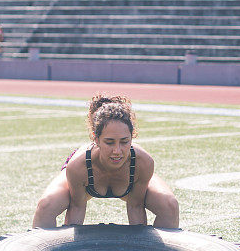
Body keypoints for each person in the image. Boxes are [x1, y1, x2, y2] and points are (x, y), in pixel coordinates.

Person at [32, 94, 179, 229]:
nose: (117, 151)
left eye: (124, 141)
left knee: (170, 205)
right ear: (96, 139)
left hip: (130, 175)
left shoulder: (143, 162)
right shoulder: (78, 166)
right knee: (46, 206)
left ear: (132, 137)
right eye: (109, 142)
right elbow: (77, 207)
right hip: (87, 175)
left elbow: (136, 206)